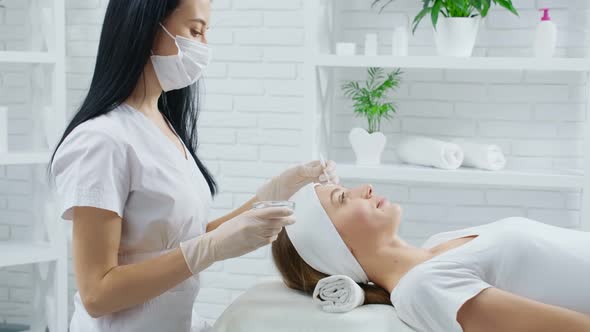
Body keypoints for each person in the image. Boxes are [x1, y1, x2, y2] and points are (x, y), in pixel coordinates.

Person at [49, 0, 338, 331]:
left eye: (205, 33)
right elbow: (97, 294)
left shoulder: (161, 124)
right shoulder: (101, 141)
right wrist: (212, 249)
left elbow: (180, 240)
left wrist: (277, 191)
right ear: (144, 27)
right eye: (195, 31)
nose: (203, 47)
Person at [272, 183, 590, 332]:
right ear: (335, 245)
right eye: (342, 198)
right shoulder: (424, 287)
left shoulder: (438, 244)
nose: (364, 188)